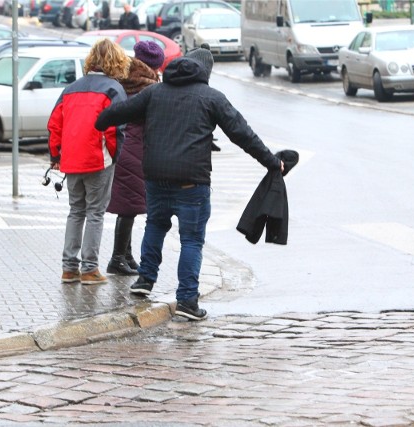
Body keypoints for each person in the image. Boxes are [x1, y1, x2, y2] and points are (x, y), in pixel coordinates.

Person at [95, 47, 283, 320]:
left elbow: (116, 113)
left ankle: (145, 281)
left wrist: (98, 121)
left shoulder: (154, 92)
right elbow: (242, 134)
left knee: (156, 226)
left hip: (156, 178)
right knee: (192, 240)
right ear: (206, 72)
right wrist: (271, 162)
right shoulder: (212, 98)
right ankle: (187, 300)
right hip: (191, 183)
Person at [48, 38, 130, 286]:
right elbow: (116, 128)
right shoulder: (113, 89)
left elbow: (54, 125)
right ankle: (90, 268)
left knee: (76, 211)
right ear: (116, 62)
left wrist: (55, 156)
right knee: (95, 212)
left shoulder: (70, 89)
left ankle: (69, 268)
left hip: (71, 160)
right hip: (98, 159)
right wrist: (114, 156)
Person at [106, 41, 164, 276]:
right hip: (133, 146)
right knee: (129, 205)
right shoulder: (146, 86)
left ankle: (126, 255)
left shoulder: (123, 77)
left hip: (124, 145)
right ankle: (118, 257)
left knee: (128, 204)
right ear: (152, 65)